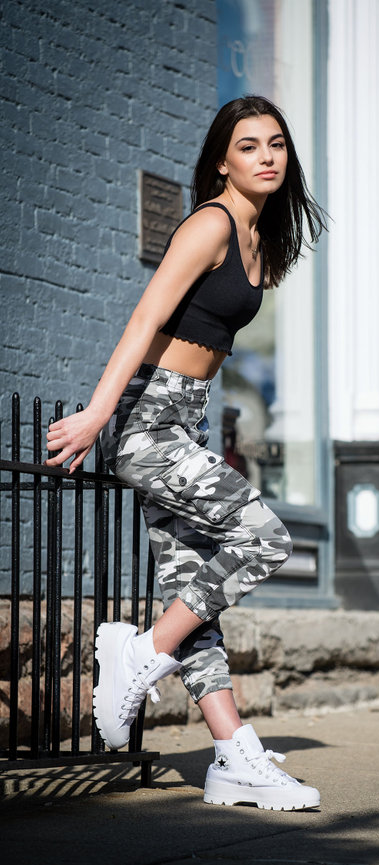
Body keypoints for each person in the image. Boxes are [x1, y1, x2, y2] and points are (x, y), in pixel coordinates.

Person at [45, 95, 327, 811]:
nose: (266, 156)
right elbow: (146, 317)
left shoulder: (262, 237)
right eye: (248, 145)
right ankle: (139, 652)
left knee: (193, 592)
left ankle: (232, 754)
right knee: (264, 538)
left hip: (185, 419)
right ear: (222, 160)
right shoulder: (209, 223)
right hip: (147, 423)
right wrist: (97, 416)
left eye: (276, 145)